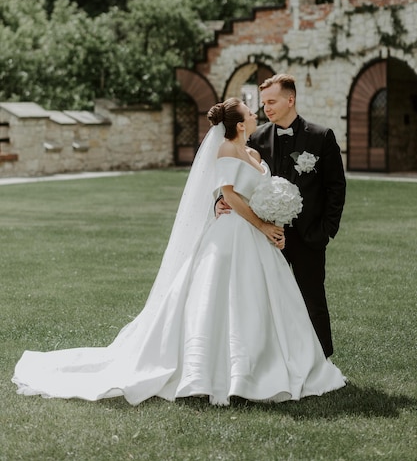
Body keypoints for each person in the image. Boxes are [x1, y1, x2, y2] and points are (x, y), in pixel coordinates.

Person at [12, 98, 345, 406]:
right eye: (250, 111)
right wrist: (262, 225)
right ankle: (219, 373)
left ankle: (271, 364)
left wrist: (275, 214)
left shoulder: (254, 154)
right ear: (240, 124)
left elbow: (255, 192)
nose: (257, 112)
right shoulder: (227, 151)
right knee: (225, 298)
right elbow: (229, 196)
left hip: (258, 237)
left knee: (262, 300)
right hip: (232, 237)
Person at [218, 75, 346, 358]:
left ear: (291, 99)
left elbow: (335, 187)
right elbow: (236, 174)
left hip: (308, 234)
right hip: (263, 236)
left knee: (312, 299)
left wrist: (326, 229)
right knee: (268, 299)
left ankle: (322, 360)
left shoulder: (321, 136)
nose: (267, 109)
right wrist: (219, 200)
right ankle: (277, 360)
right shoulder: (258, 137)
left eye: (272, 101)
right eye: (263, 103)